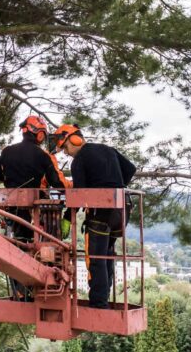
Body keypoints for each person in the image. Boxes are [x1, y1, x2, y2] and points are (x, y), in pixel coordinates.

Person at [49, 123, 137, 309]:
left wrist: (67, 217)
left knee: (96, 260)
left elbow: (78, 195)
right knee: (107, 257)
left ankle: (98, 304)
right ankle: (103, 299)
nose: (66, 152)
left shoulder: (79, 160)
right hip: (121, 211)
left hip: (100, 214)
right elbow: (130, 169)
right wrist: (116, 185)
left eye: (65, 146)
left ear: (75, 139)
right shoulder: (107, 149)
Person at [0, 116, 68, 300]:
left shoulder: (7, 151)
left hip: (11, 207)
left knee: (16, 244)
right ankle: (34, 284)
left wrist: (11, 180)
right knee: (37, 245)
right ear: (40, 134)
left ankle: (20, 290)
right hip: (33, 209)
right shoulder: (43, 156)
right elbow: (56, 182)